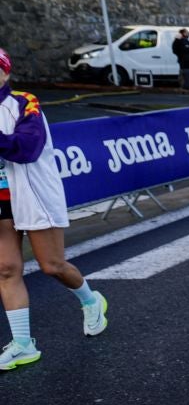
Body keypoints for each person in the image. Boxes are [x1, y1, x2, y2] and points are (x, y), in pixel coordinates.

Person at [0, 47, 108, 370]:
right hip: (2, 200)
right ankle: (22, 344)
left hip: (33, 195)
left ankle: (92, 301)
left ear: (5, 71)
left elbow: (27, 147)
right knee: (6, 269)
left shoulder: (23, 102)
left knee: (52, 265)